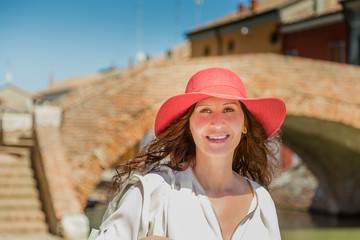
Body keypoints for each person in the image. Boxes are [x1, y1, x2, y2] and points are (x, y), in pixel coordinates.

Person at [89, 67, 286, 240]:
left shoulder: (262, 202)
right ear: (188, 125)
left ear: (244, 124)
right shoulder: (153, 192)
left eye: (228, 109)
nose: (217, 122)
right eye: (205, 110)